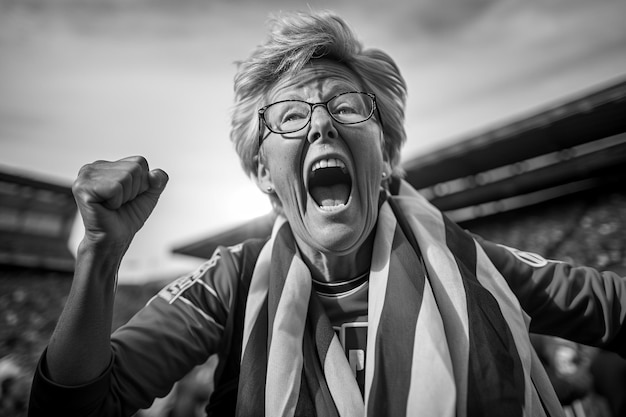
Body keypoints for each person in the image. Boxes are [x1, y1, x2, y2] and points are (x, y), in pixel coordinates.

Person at [28, 9, 625, 417]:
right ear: (264, 171)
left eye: (346, 105)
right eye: (289, 116)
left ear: (386, 157)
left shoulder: (472, 263)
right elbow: (78, 405)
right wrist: (99, 258)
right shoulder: (230, 281)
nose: (320, 123)